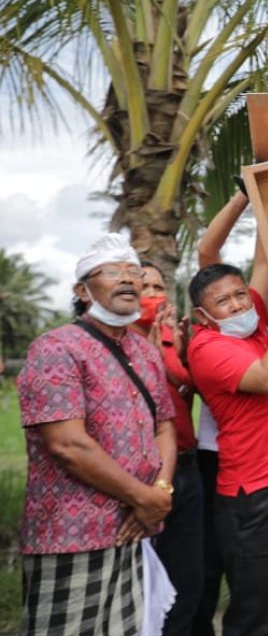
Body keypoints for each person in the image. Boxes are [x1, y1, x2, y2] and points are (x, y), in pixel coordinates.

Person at [18, 233, 176, 634]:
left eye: (133, 271)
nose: (127, 279)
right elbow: (67, 445)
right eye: (111, 271)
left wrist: (159, 491)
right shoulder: (56, 348)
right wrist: (145, 499)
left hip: (134, 527)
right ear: (82, 289)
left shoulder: (145, 352)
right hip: (74, 534)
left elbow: (164, 426)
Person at [187, 197, 268, 635]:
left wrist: (262, 194)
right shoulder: (208, 348)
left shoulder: (256, 322)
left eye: (240, 294)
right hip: (256, 497)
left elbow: (265, 257)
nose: (237, 304)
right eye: (223, 301)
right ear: (202, 316)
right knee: (256, 613)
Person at [131, 261, 206, 636]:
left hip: (186, 463)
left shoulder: (170, 336)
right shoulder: (120, 340)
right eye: (144, 287)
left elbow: (192, 389)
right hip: (144, 472)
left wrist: (179, 347)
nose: (152, 294)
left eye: (159, 286)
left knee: (188, 574)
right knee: (148, 576)